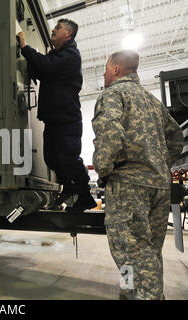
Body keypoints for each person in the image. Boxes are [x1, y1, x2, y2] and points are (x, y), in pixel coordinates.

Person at [92, 50, 184, 300]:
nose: (103, 75)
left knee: (133, 252)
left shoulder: (112, 94)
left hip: (129, 186)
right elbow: (176, 137)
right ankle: (129, 292)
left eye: (105, 70)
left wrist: (103, 168)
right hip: (158, 187)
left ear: (115, 69)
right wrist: (159, 164)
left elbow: (110, 136)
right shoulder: (152, 100)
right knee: (149, 251)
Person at [18, 19, 96, 211]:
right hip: (55, 119)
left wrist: (25, 48)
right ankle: (71, 189)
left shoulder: (71, 55)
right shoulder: (58, 54)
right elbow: (41, 69)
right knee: (52, 158)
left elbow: (45, 66)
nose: (53, 30)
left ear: (68, 34)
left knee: (68, 157)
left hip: (66, 119)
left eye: (58, 28)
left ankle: (83, 196)